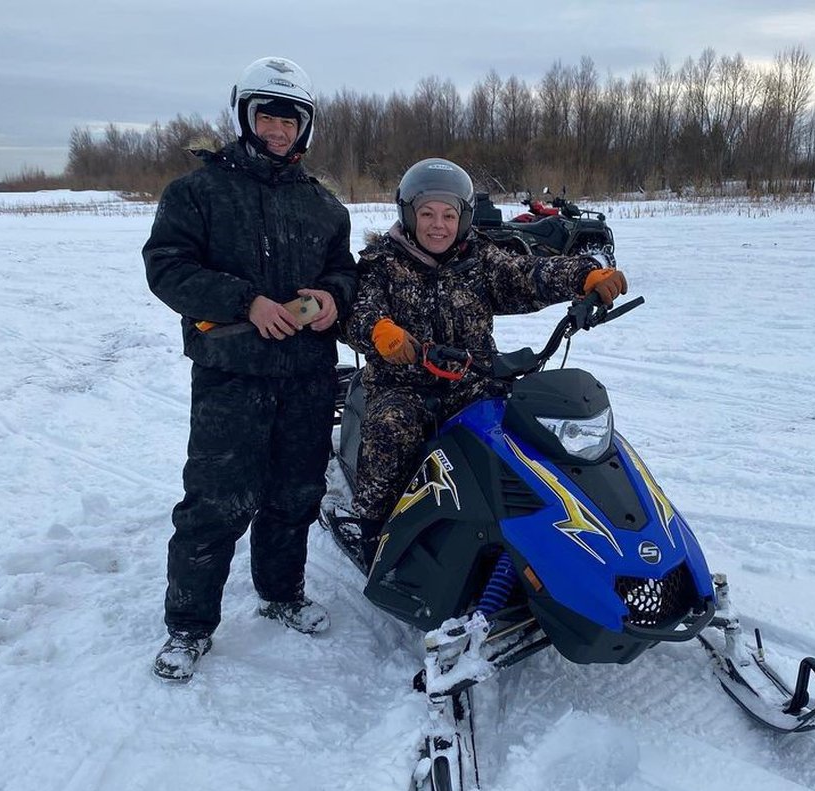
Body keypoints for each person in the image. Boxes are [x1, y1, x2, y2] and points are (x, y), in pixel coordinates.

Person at [143, 56, 356, 681]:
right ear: (246, 116)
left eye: (290, 120)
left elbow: (344, 273)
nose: (278, 130)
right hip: (231, 374)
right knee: (216, 502)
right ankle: (188, 626)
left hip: (308, 374)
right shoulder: (197, 193)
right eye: (267, 116)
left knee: (295, 494)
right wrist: (245, 302)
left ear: (305, 128)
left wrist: (331, 300)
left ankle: (281, 593)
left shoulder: (323, 206)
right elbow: (167, 267)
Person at [334, 157, 626, 567]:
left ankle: (541, 525)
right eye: (427, 214)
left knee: (522, 433)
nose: (439, 225)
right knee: (391, 427)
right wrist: (381, 331)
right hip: (404, 384)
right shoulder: (382, 263)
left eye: (449, 215)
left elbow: (527, 274)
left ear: (463, 217)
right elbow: (358, 313)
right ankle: (371, 526)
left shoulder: (479, 260)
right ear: (408, 215)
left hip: (472, 378)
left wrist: (584, 276)